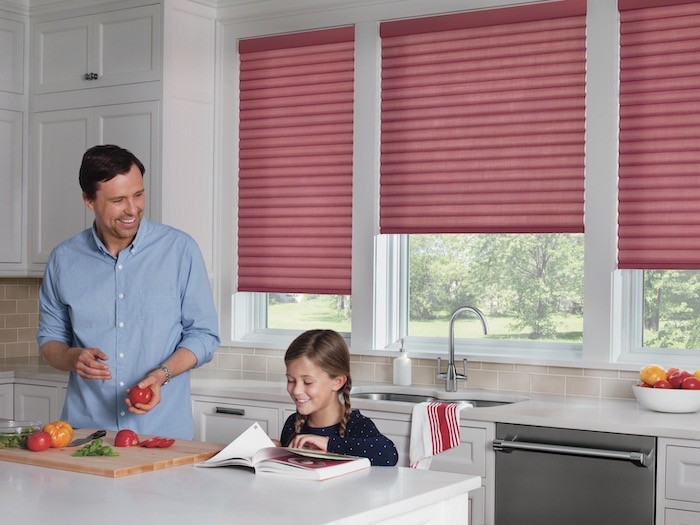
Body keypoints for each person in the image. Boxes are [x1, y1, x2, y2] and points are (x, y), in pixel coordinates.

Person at [37, 144, 220, 440]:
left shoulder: (180, 251)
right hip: (86, 435)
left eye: (138, 194)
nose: (133, 209)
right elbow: (49, 340)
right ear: (88, 200)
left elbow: (204, 335)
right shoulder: (63, 259)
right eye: (118, 200)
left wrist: (162, 375)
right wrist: (72, 357)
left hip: (162, 435)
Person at [280, 329, 399, 466]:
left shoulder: (356, 426)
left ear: (337, 382)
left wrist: (328, 444)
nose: (296, 390)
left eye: (308, 382)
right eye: (290, 380)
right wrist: (275, 450)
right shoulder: (292, 424)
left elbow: (388, 454)